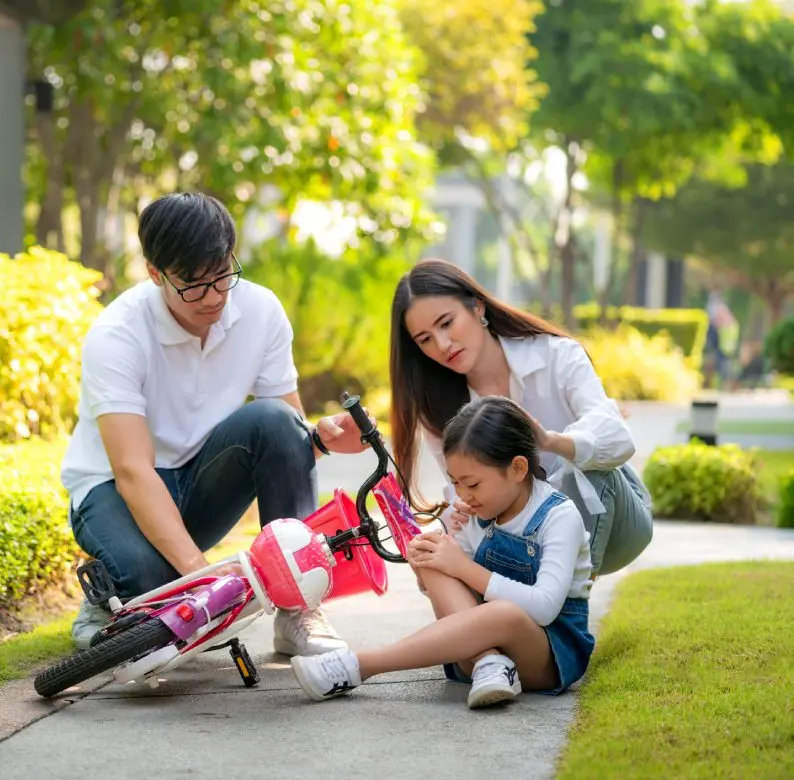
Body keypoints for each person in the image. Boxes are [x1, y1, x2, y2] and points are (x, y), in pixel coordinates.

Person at [60, 192, 369, 655]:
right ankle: (110, 596)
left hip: (199, 485)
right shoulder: (117, 334)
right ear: (154, 273)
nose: (214, 297)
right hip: (113, 490)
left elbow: (285, 432)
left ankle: (299, 611)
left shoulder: (260, 311)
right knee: (155, 585)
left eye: (223, 275)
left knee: (276, 419)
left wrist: (319, 441)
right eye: (193, 285)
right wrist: (200, 575)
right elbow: (132, 471)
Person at [290, 395, 596, 707]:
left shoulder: (559, 516)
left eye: (473, 484)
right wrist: (428, 562)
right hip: (477, 655)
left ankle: (358, 665)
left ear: (517, 468)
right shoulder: (472, 515)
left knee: (504, 613)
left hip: (547, 656)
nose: (463, 494)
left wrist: (463, 566)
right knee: (432, 549)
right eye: (455, 483)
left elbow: (544, 607)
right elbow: (449, 590)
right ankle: (490, 662)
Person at [383, 258, 652, 578]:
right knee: (437, 555)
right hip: (527, 536)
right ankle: (498, 618)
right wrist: (457, 516)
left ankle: (564, 612)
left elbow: (619, 440)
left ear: (477, 308)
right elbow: (463, 489)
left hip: (614, 520)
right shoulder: (439, 409)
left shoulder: (556, 355)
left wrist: (551, 441)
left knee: (580, 468)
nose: (442, 345)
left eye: (446, 323)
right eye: (425, 339)